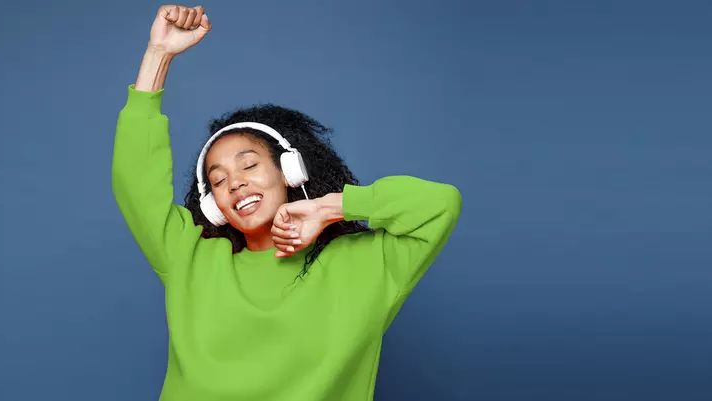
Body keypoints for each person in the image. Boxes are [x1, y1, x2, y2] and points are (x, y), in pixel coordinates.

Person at [111, 5, 462, 401]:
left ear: (289, 171)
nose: (236, 183)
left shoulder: (369, 264)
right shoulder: (190, 258)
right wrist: (159, 55)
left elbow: (440, 204)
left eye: (249, 165)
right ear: (214, 206)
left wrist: (330, 208)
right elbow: (135, 180)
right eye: (219, 180)